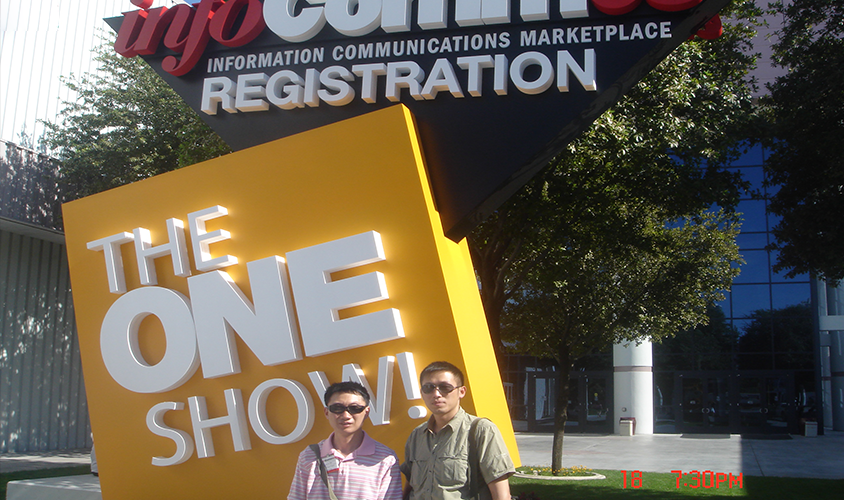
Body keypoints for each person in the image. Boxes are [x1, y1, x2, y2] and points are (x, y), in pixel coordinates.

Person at [401, 361, 515, 500]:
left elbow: (501, 494)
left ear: (461, 392)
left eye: (445, 387)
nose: (436, 394)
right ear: (422, 393)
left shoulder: (481, 430)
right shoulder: (417, 435)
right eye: (428, 388)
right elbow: (409, 486)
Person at [288, 381, 402, 500]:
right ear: (326, 412)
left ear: (366, 412)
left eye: (355, 408)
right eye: (337, 408)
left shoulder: (385, 459)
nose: (346, 415)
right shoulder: (309, 456)